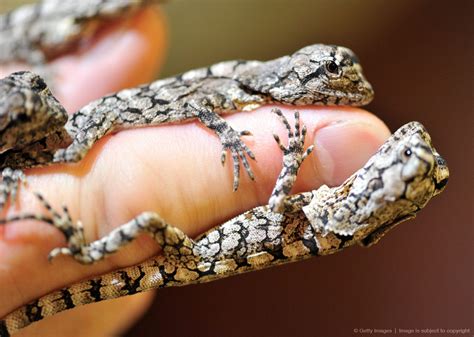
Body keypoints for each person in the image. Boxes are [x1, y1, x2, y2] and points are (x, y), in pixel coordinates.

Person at [0, 7, 389, 336]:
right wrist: (229, 137)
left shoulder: (252, 86)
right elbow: (203, 105)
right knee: (71, 155)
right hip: (109, 116)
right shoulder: (243, 85)